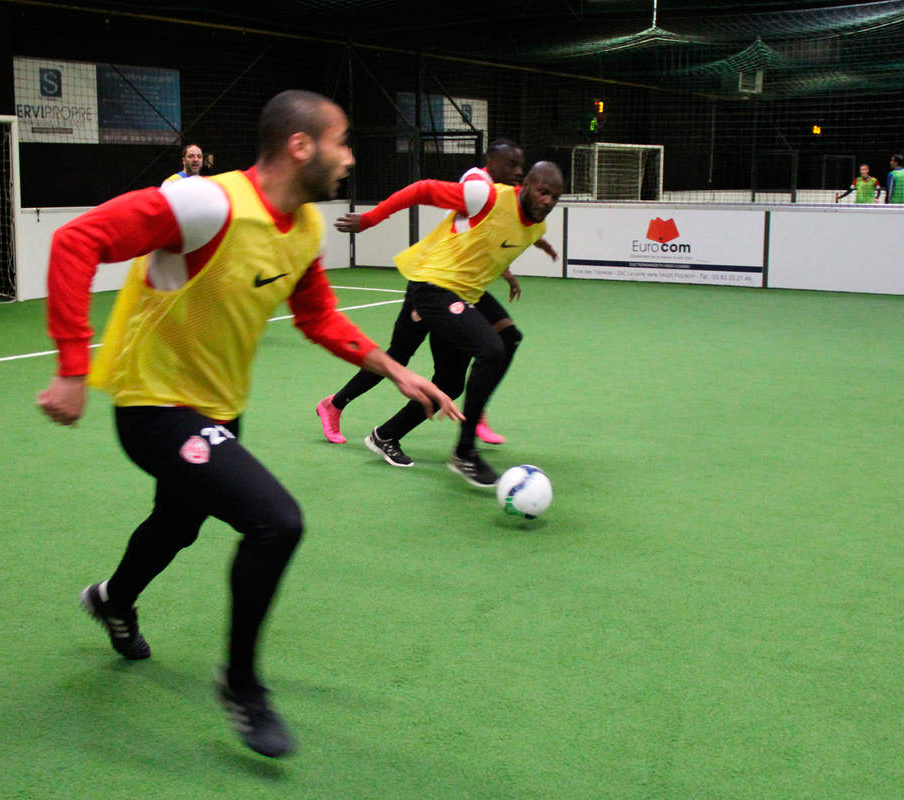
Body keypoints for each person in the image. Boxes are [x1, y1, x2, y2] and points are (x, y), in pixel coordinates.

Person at [36, 89, 461, 759]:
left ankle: (113, 599)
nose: (350, 156)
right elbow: (76, 239)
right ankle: (241, 686)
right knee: (276, 521)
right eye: (342, 141)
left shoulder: (305, 228)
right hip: (153, 404)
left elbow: (317, 314)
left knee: (177, 524)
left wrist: (393, 369)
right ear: (300, 146)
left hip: (218, 410)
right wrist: (69, 366)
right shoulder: (208, 204)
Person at [315, 139, 557, 447]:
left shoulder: (513, 200)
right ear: (491, 163)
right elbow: (424, 193)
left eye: (521, 165)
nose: (518, 172)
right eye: (512, 164)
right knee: (398, 357)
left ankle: (474, 406)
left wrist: (525, 256)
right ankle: (335, 404)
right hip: (433, 280)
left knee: (503, 339)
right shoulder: (477, 186)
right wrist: (370, 219)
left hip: (462, 288)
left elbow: (495, 238)